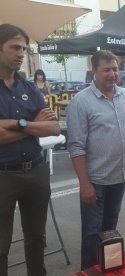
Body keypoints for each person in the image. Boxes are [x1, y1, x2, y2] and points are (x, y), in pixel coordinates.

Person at [66, 50, 125, 270]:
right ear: (94, 71)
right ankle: (89, 271)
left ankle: (107, 268)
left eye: (115, 69)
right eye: (106, 69)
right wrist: (85, 184)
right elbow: (75, 146)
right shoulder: (81, 102)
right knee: (91, 233)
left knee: (109, 230)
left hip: (119, 176)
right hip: (95, 181)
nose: (112, 74)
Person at [0, 24, 60, 276]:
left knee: (36, 237)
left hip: (36, 171)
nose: (21, 53)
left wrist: (17, 123)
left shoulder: (29, 88)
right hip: (4, 176)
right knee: (0, 244)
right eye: (15, 47)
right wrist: (34, 124)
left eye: (24, 48)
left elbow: (54, 128)